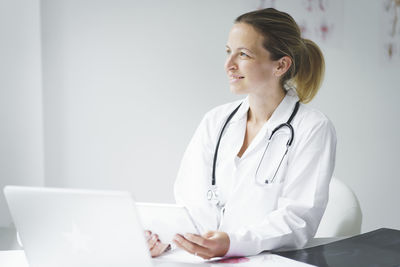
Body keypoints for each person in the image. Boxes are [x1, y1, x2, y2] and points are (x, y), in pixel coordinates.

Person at [147, 7, 336, 259]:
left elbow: (297, 220)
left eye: (243, 54)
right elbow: (189, 204)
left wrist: (232, 243)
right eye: (228, 52)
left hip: (269, 261)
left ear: (280, 65)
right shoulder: (215, 121)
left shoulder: (312, 127)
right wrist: (167, 238)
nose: (229, 65)